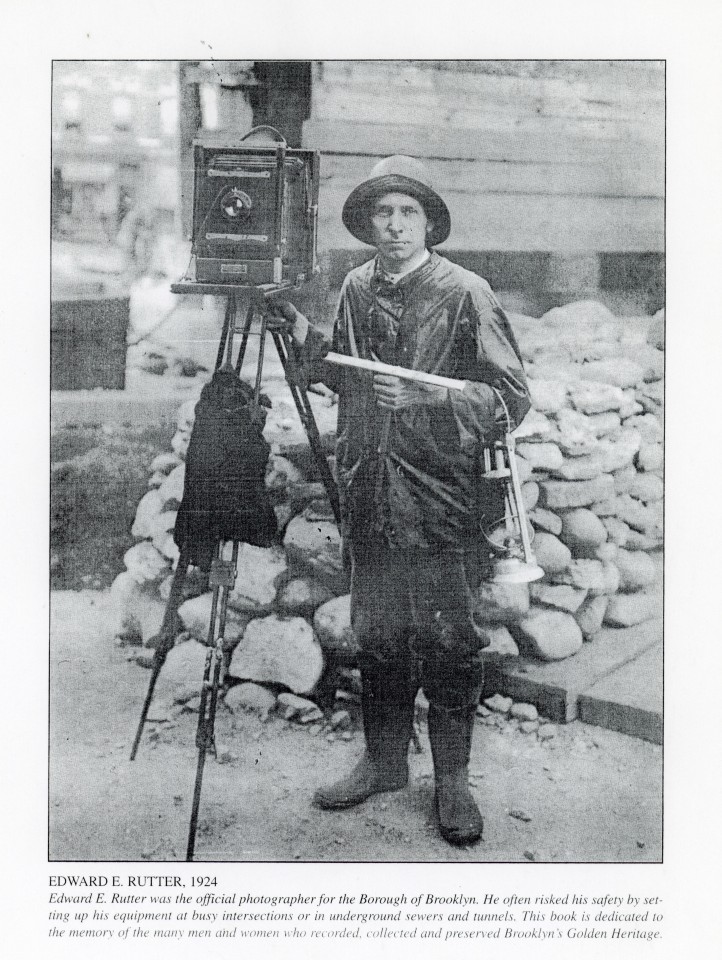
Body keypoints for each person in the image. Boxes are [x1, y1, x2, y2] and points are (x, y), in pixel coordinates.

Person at [279, 156, 530, 846]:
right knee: (380, 635)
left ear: (427, 223)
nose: (393, 226)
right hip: (371, 490)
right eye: (382, 214)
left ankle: (451, 779)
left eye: (406, 213)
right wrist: (300, 338)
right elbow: (342, 369)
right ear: (367, 225)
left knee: (450, 640)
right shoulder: (358, 286)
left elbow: (510, 397)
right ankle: (384, 762)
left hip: (445, 496)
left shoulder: (465, 291)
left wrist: (428, 394)